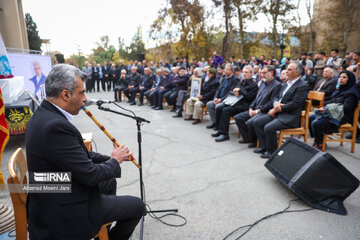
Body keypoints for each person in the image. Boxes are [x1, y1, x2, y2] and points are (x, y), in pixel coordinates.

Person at [25, 64, 145, 240]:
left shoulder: (45, 114)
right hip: (62, 206)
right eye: (81, 93)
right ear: (65, 95)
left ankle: (100, 230)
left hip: (56, 187)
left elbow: (79, 156)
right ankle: (100, 226)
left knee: (109, 180)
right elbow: (90, 175)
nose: (85, 99)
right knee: (137, 206)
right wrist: (114, 161)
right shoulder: (55, 127)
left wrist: (111, 158)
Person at [252, 62, 308, 158]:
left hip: (289, 117)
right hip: (279, 113)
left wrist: (277, 109)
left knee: (268, 127)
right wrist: (276, 104)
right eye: (287, 69)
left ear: (297, 72)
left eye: (289, 69)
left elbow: (295, 104)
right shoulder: (286, 83)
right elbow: (277, 96)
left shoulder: (302, 85)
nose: (286, 71)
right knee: (257, 122)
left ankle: (272, 151)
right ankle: (263, 146)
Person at [309, 70, 359, 150]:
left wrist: (331, 106)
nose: (341, 79)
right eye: (340, 77)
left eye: (344, 77)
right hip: (331, 112)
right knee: (311, 118)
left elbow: (346, 107)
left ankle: (319, 144)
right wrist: (325, 106)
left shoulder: (351, 93)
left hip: (341, 116)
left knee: (316, 123)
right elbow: (332, 100)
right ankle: (319, 140)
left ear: (350, 80)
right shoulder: (340, 89)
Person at [235, 66, 281, 146]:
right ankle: (248, 138)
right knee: (238, 117)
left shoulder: (276, 85)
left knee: (251, 122)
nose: (262, 75)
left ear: (271, 73)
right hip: (255, 109)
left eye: (264, 73)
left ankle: (256, 141)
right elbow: (256, 98)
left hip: (264, 111)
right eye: (261, 73)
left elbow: (271, 103)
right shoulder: (263, 83)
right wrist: (251, 108)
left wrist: (257, 111)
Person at [211, 66, 258, 142]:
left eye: (246, 72)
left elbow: (249, 97)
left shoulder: (253, 84)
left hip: (245, 105)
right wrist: (235, 91)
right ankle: (220, 130)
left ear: (251, 74)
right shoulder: (242, 81)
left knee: (226, 110)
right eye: (243, 72)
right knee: (219, 107)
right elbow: (235, 90)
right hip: (236, 102)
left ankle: (224, 134)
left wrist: (240, 91)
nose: (244, 74)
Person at [206, 64, 239, 129]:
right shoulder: (224, 78)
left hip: (227, 100)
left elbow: (231, 93)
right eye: (225, 70)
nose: (226, 71)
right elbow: (218, 89)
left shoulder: (235, 80)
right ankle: (214, 122)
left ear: (232, 71)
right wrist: (215, 97)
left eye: (228, 70)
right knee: (209, 104)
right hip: (219, 99)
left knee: (218, 106)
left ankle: (219, 125)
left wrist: (221, 100)